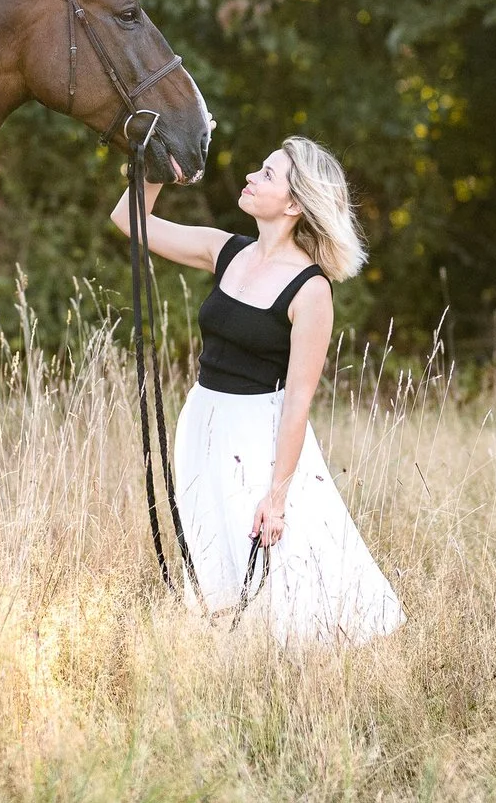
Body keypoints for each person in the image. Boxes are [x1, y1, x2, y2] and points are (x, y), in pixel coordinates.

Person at [107, 135, 404, 643]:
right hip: (203, 419)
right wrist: (157, 166)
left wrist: (279, 492)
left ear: (293, 204)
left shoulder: (311, 291)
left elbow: (298, 400)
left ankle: (303, 664)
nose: (250, 176)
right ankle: (229, 649)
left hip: (258, 432)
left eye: (268, 174)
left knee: (288, 559)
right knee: (213, 542)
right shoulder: (226, 250)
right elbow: (129, 221)